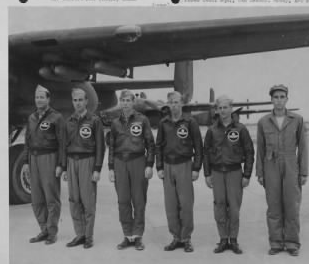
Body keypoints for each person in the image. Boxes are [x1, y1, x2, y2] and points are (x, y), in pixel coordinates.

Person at [256, 84, 309, 256]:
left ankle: (292, 243)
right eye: (275, 97)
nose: (279, 100)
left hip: (291, 165)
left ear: (287, 99)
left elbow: (303, 147)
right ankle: (276, 242)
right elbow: (261, 149)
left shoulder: (297, 120)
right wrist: (260, 173)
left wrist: (303, 172)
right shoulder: (263, 121)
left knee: (292, 205)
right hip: (270, 165)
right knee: (273, 206)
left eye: (282, 97)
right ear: (271, 99)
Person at [203, 96, 254, 254]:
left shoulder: (241, 129)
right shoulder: (212, 130)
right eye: (220, 108)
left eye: (226, 107)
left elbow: (249, 152)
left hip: (234, 172)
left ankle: (234, 239)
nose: (223, 110)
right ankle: (223, 239)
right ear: (217, 110)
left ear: (231, 109)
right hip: (217, 172)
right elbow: (206, 153)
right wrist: (207, 174)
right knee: (219, 205)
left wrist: (246, 175)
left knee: (234, 207)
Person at [156, 91, 203, 253]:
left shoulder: (190, 122)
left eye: (177, 102)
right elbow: (159, 146)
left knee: (186, 204)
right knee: (171, 205)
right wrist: (159, 167)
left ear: (181, 104)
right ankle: (176, 237)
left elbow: (198, 146)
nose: (174, 105)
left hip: (184, 165)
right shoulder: (163, 123)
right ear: (168, 104)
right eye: (171, 102)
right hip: (168, 166)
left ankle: (186, 238)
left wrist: (196, 168)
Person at [108, 90, 155, 251]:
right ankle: (127, 235)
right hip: (120, 162)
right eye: (123, 100)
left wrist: (149, 165)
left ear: (133, 102)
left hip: (138, 161)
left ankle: (138, 236)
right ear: (120, 102)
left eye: (129, 100)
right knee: (123, 200)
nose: (126, 103)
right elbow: (112, 147)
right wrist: (111, 168)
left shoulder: (142, 120)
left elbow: (150, 144)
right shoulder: (115, 123)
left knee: (139, 200)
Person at [62, 87, 105, 249]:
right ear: (72, 102)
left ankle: (88, 236)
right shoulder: (69, 121)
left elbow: (101, 147)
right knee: (74, 200)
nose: (78, 103)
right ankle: (79, 234)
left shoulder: (94, 121)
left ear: (86, 101)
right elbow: (64, 146)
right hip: (72, 161)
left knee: (88, 200)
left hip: (88, 161)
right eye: (75, 100)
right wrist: (65, 168)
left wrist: (97, 169)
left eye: (81, 100)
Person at [24, 85, 64, 245]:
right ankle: (44, 229)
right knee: (36, 198)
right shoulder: (31, 117)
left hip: (50, 158)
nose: (39, 100)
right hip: (33, 159)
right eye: (36, 97)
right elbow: (27, 141)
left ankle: (52, 232)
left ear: (48, 99)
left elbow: (62, 142)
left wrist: (61, 164)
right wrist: (26, 162)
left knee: (51, 197)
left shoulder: (57, 117)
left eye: (42, 97)